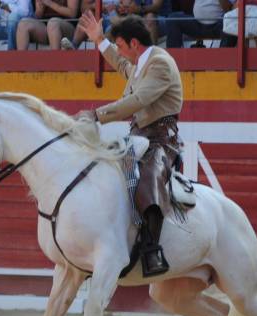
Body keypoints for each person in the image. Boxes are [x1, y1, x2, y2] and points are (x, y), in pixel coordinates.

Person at [75, 13, 182, 277]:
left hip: (161, 138)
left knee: (148, 179)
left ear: (134, 43)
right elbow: (122, 64)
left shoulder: (160, 64)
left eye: (121, 45)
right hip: (138, 135)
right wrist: (99, 41)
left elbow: (138, 100)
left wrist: (97, 114)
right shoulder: (140, 63)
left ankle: (151, 249)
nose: (121, 51)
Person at [165, 0, 231, 48]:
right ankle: (173, 59)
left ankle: (224, 59)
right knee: (172, 19)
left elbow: (229, 10)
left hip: (218, 26)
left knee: (230, 21)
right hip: (197, 24)